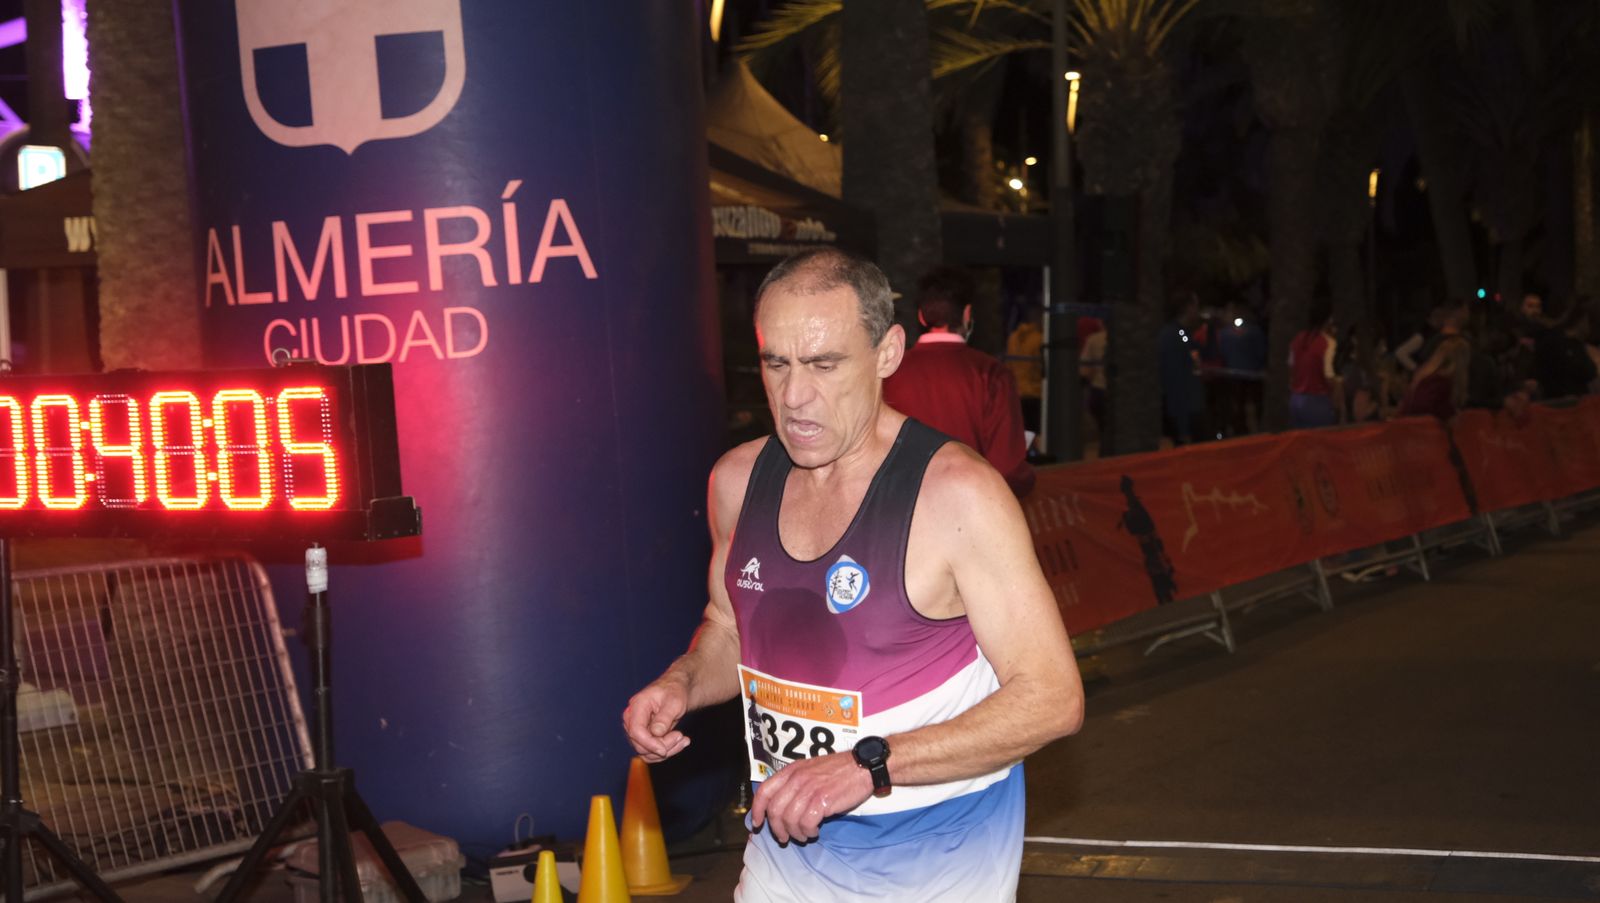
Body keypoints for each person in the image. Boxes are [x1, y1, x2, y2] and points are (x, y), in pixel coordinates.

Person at [622, 249, 1083, 903]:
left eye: (824, 364)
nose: (793, 395)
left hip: (937, 868)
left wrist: (868, 764)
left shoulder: (956, 495)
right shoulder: (737, 480)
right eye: (776, 362)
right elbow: (729, 626)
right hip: (785, 858)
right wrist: (683, 681)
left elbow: (1052, 697)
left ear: (888, 351)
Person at [884, 267, 1035, 497]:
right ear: (967, 314)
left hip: (896, 505)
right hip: (966, 508)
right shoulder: (992, 374)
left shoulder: (887, 370)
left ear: (921, 317)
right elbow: (1009, 470)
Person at [1289, 306, 1341, 429]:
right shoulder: (1328, 342)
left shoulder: (1297, 339)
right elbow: (1328, 375)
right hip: (1317, 401)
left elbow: (1291, 368)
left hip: (1296, 400)